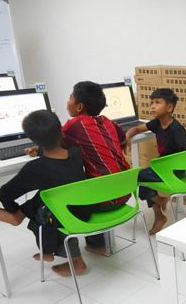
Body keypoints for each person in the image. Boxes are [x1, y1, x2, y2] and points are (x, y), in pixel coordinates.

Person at [27, 81, 130, 255]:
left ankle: (66, 256)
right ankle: (96, 245)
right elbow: (123, 139)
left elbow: (52, 142)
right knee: (92, 182)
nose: (67, 101)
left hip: (104, 200)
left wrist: (37, 150)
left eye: (70, 97)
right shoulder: (107, 121)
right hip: (126, 192)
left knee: (55, 198)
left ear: (79, 106)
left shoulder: (73, 125)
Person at [0, 110, 89, 276]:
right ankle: (20, 216)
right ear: (61, 131)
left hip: (64, 219)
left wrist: (12, 208)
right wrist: (40, 151)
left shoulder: (35, 168)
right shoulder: (75, 153)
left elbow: (4, 194)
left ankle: (18, 218)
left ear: (33, 140)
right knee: (44, 196)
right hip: (85, 210)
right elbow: (58, 158)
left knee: (42, 211)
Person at [125, 88, 186, 234]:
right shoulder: (156, 123)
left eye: (157, 102)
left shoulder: (176, 129)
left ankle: (159, 209)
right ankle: (159, 211)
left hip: (175, 170)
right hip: (162, 168)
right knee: (143, 180)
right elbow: (136, 129)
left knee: (139, 176)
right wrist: (127, 136)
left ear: (169, 107)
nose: (152, 106)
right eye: (151, 103)